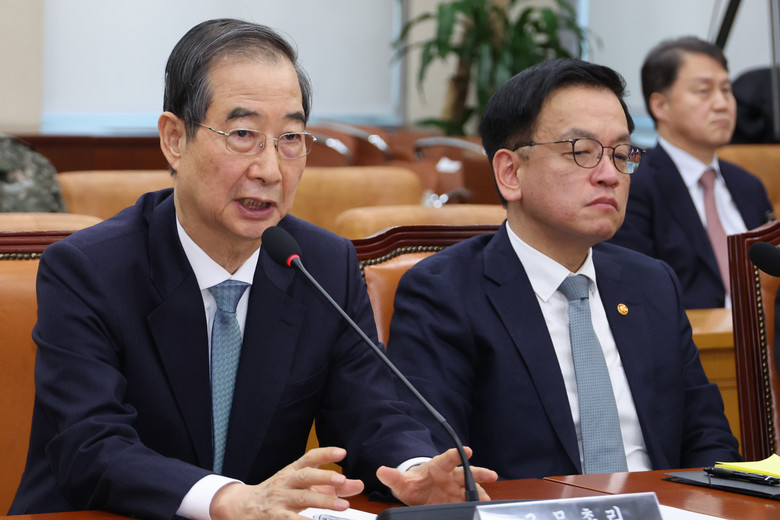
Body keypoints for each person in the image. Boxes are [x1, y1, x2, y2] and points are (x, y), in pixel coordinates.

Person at [9, 18, 496, 520]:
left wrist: (414, 471)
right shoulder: (89, 270)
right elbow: (91, 447)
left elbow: (370, 414)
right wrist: (228, 498)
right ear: (175, 139)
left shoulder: (321, 265)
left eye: (290, 138)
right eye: (243, 134)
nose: (270, 170)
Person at [386, 58, 741, 480]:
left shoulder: (652, 283)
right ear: (510, 172)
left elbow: (708, 439)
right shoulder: (444, 292)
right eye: (582, 152)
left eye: (621, 155)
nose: (610, 175)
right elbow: (434, 458)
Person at [609, 36, 773, 309]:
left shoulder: (748, 185)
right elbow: (636, 293)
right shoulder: (633, 185)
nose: (722, 104)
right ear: (660, 106)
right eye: (704, 91)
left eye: (726, 90)